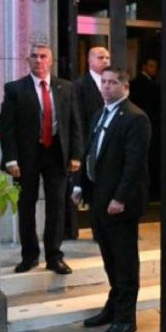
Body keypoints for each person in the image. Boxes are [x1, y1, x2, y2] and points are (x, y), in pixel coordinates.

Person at [73, 66, 150, 332]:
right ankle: (113, 305)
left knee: (125, 262)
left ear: (125, 87)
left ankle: (126, 318)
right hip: (98, 199)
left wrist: (119, 198)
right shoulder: (100, 113)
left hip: (120, 204)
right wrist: (80, 184)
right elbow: (90, 150)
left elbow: (133, 165)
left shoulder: (135, 118)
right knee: (109, 259)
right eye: (103, 82)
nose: (106, 87)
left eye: (112, 82)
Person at [0, 42, 81, 275]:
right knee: (26, 206)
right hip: (27, 157)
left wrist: (75, 154)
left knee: (56, 206)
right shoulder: (15, 89)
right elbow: (7, 127)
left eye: (43, 56)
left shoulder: (66, 88)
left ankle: (54, 257)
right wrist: (11, 160)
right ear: (28, 61)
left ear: (51, 60)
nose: (39, 60)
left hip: (57, 154)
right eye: (34, 56)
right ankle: (29, 256)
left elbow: (74, 123)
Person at [66, 45, 109, 241]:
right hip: (90, 142)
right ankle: (97, 230)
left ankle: (109, 227)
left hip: (110, 141)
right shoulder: (79, 86)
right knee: (92, 188)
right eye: (101, 57)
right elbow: (77, 118)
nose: (106, 61)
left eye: (107, 57)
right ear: (90, 61)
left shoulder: (112, 82)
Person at [129, 57, 161, 199]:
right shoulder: (148, 85)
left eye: (155, 66)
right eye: (151, 66)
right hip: (149, 126)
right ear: (144, 67)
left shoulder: (144, 83)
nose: (154, 69)